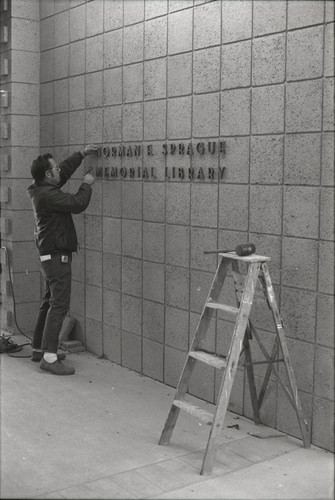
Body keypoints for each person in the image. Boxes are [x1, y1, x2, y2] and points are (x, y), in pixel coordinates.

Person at [27, 145, 98, 375]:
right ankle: (49, 356)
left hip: (49, 257)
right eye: (54, 168)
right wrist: (86, 183)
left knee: (49, 303)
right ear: (48, 175)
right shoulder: (49, 195)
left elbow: (63, 172)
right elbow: (78, 203)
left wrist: (81, 155)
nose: (59, 170)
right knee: (59, 305)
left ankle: (39, 349)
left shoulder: (42, 189)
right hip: (57, 259)